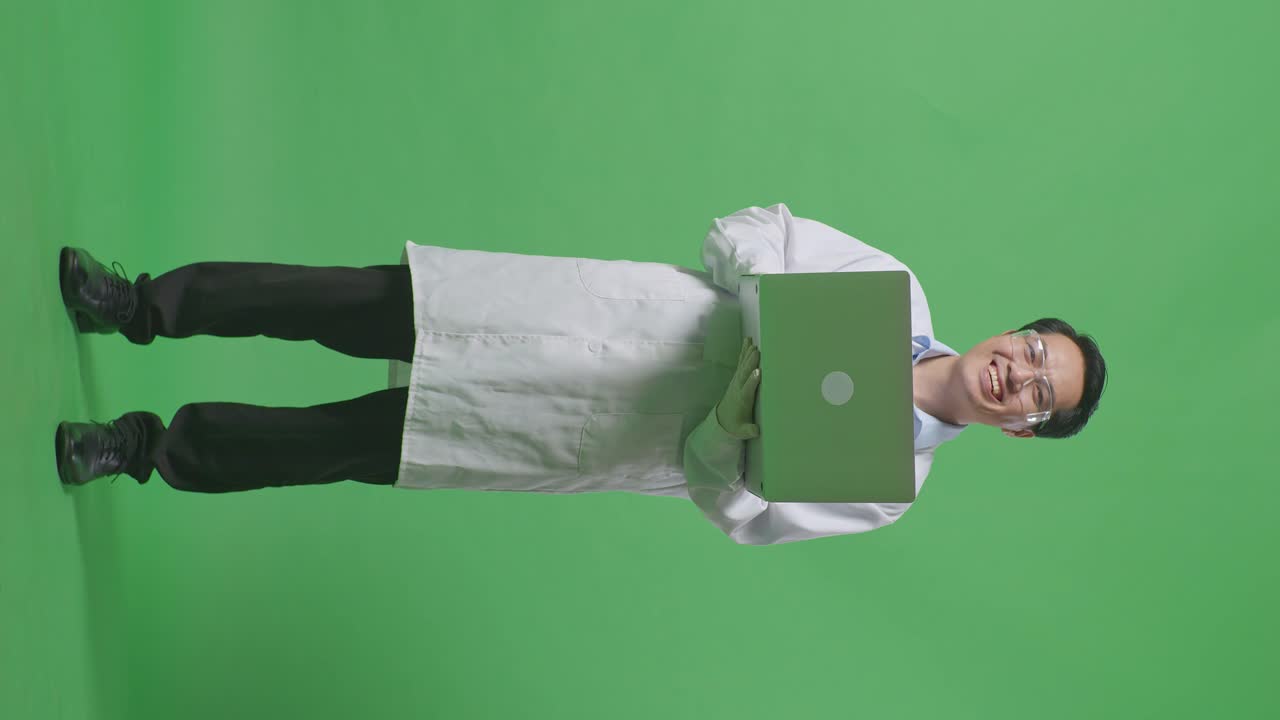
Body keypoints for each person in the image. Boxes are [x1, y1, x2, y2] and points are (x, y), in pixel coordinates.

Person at [55, 203, 1107, 545]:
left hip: (589, 434)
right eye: (1028, 349)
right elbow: (744, 230)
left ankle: (141, 452)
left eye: (1038, 392)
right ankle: (146, 304)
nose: (1017, 374)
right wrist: (770, 319)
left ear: (1022, 429)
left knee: (335, 444)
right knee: (337, 300)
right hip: (578, 316)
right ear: (1008, 335)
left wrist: (727, 428)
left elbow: (732, 508)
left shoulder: (891, 485)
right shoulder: (893, 294)